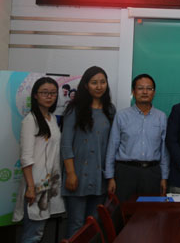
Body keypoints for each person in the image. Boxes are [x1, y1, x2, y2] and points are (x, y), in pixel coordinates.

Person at [61, 66, 115, 238]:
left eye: (102, 82)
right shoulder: (74, 109)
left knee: (94, 224)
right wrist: (70, 174)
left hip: (99, 176)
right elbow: (66, 144)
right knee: (76, 224)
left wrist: (110, 176)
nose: (99, 86)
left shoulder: (110, 110)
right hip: (77, 175)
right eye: (94, 83)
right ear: (85, 85)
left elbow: (112, 145)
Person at [12, 77, 64, 243]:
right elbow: (26, 157)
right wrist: (30, 187)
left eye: (53, 93)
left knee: (38, 231)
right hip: (35, 183)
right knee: (33, 234)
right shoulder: (30, 120)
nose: (49, 96)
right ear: (35, 95)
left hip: (48, 182)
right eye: (44, 92)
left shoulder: (52, 118)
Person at [105, 74, 170, 202]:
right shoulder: (122, 116)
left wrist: (164, 177)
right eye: (140, 88)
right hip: (125, 172)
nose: (145, 92)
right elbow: (112, 147)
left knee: (149, 211)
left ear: (154, 92)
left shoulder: (161, 117)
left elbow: (164, 150)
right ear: (133, 92)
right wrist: (110, 177)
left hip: (152, 173)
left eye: (149, 88)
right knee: (123, 211)